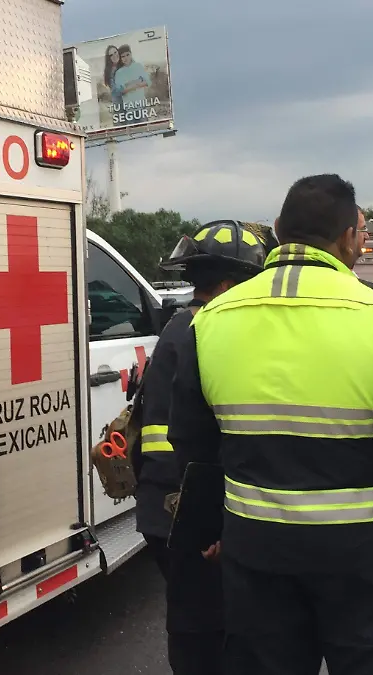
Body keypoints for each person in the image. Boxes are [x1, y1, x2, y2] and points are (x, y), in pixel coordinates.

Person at [169, 174, 373, 675]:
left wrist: (219, 526)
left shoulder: (210, 319)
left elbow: (190, 442)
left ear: (277, 229)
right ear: (351, 237)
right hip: (367, 551)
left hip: (256, 548)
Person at [134, 220, 268, 675]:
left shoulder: (180, 325)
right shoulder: (206, 331)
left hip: (164, 504)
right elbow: (200, 444)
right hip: (188, 509)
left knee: (193, 622)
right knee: (209, 631)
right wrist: (215, 526)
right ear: (228, 286)